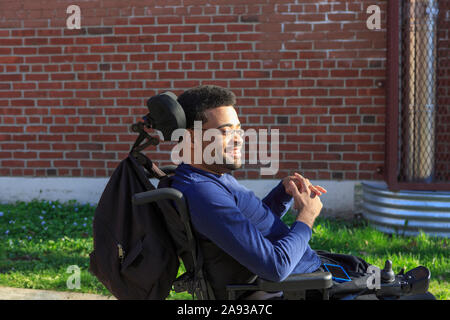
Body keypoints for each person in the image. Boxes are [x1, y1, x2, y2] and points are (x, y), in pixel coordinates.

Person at [170, 85, 370, 299]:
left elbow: (250, 227)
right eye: (226, 131)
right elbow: (275, 268)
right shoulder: (203, 193)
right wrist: (307, 216)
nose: (238, 139)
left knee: (381, 277)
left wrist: (281, 195)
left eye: (239, 129)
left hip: (311, 270)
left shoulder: (213, 175)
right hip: (304, 286)